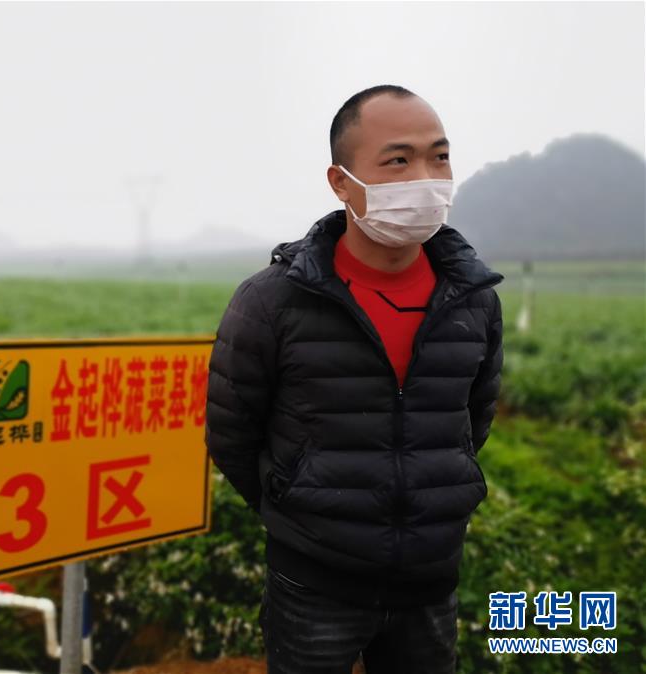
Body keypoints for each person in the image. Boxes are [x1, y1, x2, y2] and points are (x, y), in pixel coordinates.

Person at [204, 84, 505, 674]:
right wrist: (294, 505)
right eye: (398, 160)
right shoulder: (272, 302)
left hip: (430, 581)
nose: (426, 176)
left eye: (438, 157)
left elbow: (473, 419)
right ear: (341, 183)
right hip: (314, 585)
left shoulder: (472, 301)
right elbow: (232, 433)